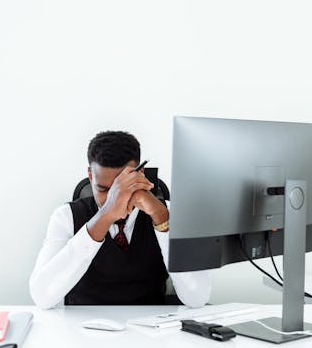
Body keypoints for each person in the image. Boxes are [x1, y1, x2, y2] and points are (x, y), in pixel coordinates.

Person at [29, 131, 210, 309]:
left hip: (151, 327)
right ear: (90, 176)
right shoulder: (66, 216)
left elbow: (197, 298)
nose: (113, 199)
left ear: (140, 175)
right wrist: (105, 216)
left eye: (121, 189)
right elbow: (42, 297)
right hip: (81, 326)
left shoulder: (169, 212)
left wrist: (162, 219)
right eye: (103, 190)